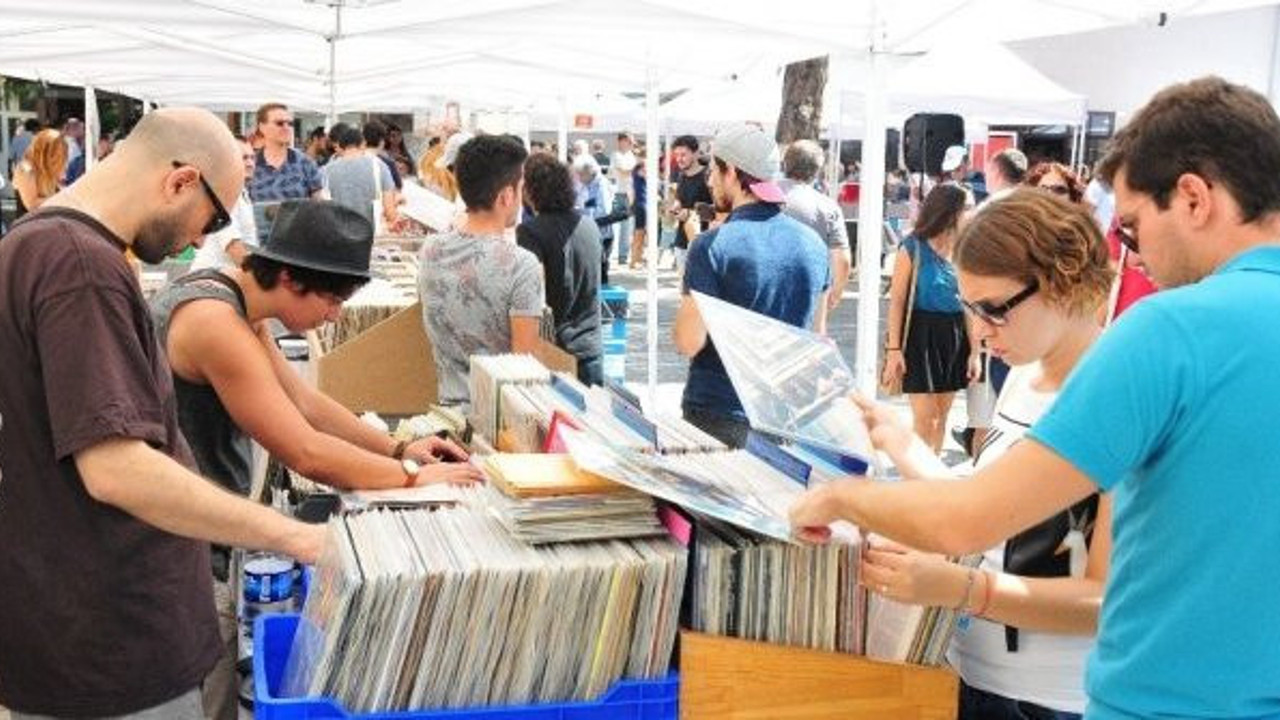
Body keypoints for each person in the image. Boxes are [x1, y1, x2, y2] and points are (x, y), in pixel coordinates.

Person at [790, 76, 1280, 719]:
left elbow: (971, 520)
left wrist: (837, 496)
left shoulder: (1172, 329)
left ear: (1193, 197)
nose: (1134, 256)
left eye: (1131, 230)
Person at [0, 107, 324, 720]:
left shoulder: (34, 242)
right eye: (215, 215)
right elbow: (117, 467)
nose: (203, 239)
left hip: (79, 631)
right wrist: (298, 536)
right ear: (180, 181)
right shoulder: (80, 266)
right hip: (114, 644)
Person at [152, 199, 478, 717]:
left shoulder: (238, 300)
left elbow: (306, 404)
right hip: (182, 543)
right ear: (288, 276)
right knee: (205, 699)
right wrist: (413, 478)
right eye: (332, 298)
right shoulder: (215, 322)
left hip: (206, 529)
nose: (336, 315)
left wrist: (398, 448)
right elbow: (304, 451)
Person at [858, 189, 1113, 719]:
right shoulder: (1025, 373)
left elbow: (1104, 600)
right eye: (970, 309)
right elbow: (984, 505)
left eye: (995, 310)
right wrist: (898, 440)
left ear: (1064, 282)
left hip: (1048, 699)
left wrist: (963, 588)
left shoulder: (1119, 399)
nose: (979, 331)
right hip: (972, 673)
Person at [673, 123, 829, 448]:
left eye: (714, 170)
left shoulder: (712, 246)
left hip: (719, 410)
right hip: (783, 414)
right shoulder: (814, 244)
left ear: (731, 171)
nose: (710, 180)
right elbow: (816, 335)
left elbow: (688, 341)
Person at [418, 134, 544, 410]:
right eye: (520, 187)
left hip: (446, 413)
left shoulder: (430, 250)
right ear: (507, 196)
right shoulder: (522, 265)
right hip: (499, 421)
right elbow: (525, 370)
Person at [882, 184, 979, 452]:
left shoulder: (964, 250)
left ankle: (931, 480)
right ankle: (918, 484)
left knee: (942, 417)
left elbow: (970, 305)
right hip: (919, 337)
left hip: (954, 336)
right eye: (968, 207)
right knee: (927, 418)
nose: (973, 212)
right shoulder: (912, 247)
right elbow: (897, 301)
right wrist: (893, 349)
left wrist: (976, 351)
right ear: (950, 212)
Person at [518, 153, 603, 385]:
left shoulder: (530, 232)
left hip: (555, 350)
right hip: (592, 346)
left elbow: (533, 292)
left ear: (529, 190)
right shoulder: (589, 225)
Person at [779, 140, 852, 316]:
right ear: (817, 169)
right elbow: (842, 259)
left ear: (784, 164)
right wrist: (835, 294)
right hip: (809, 295)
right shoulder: (827, 207)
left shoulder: (758, 195)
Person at [190, 135, 258, 272]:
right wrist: (260, 279)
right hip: (213, 282)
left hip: (223, 279)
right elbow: (234, 247)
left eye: (252, 157)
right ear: (228, 161)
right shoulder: (225, 193)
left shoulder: (239, 191)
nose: (250, 163)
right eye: (244, 158)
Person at [322, 122, 398, 232]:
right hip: (369, 237)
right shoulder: (379, 166)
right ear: (363, 144)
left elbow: (322, 209)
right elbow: (389, 212)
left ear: (341, 146)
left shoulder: (326, 171)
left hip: (338, 237)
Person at [248, 103, 325, 202]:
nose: (286, 127)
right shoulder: (250, 163)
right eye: (279, 123)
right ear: (262, 127)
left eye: (290, 124)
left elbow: (319, 203)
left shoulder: (305, 162)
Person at [668, 134, 713, 271]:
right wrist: (676, 205)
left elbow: (718, 209)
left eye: (683, 154)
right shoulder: (681, 176)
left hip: (704, 241)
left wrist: (690, 214)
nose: (679, 159)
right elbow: (681, 199)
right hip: (682, 240)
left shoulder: (708, 177)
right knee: (684, 287)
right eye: (677, 155)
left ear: (695, 153)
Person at [11, 129, 68, 219]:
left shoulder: (49, 170)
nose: (56, 159)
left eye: (60, 155)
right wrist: (63, 197)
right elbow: (32, 205)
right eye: (54, 154)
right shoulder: (26, 169)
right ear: (43, 151)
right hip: (29, 228)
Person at [610, 132, 638, 267]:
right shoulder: (616, 155)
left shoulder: (632, 155)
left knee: (627, 227)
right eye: (630, 141)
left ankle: (623, 255)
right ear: (622, 141)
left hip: (630, 193)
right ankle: (615, 254)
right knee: (617, 226)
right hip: (620, 193)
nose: (632, 144)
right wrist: (638, 167)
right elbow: (623, 171)